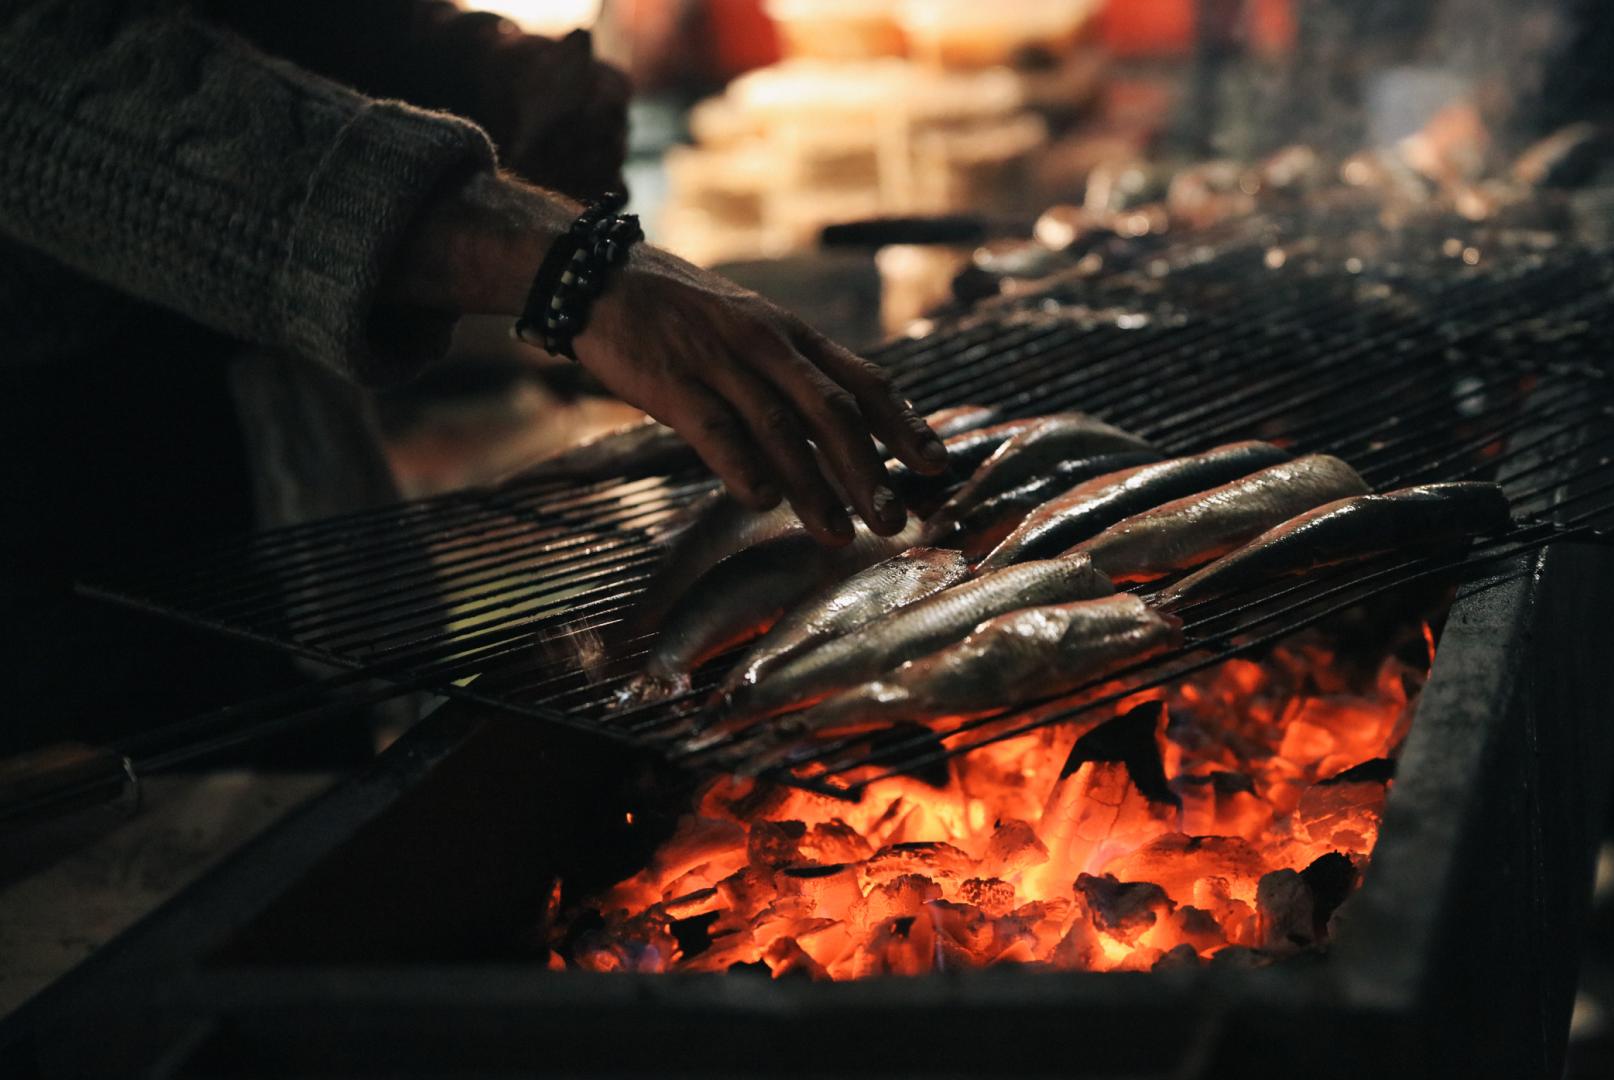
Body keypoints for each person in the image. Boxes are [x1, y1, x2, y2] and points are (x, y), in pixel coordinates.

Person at [0, 0, 946, 757]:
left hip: (236, 447)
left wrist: (463, 69)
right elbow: (39, 73)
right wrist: (568, 265)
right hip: (48, 507)